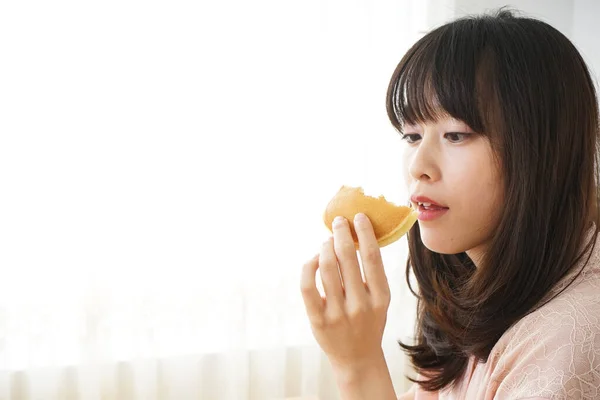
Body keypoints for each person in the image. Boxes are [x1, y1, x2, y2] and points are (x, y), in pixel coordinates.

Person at [300, 7, 600, 400]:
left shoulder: (570, 338)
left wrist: (357, 365)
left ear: (541, 151)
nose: (418, 167)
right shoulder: (479, 289)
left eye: (456, 135)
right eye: (411, 135)